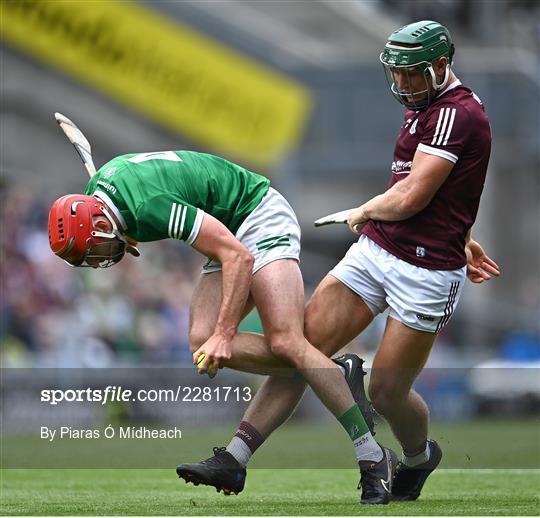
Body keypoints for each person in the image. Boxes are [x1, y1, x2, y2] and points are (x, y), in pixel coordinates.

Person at [178, 20, 500, 503]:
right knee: (300, 349)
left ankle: (417, 457)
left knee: (386, 393)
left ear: (440, 65)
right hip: (377, 250)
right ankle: (235, 459)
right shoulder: (424, 106)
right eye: (397, 73)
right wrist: (462, 229)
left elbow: (413, 194)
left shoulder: (458, 113)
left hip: (427, 271)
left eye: (412, 74)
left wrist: (366, 209)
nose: (403, 84)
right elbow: (452, 187)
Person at [47, 150, 390, 504]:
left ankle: (372, 456)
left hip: (258, 214)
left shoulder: (150, 204)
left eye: (92, 251)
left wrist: (226, 334)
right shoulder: (100, 196)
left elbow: (238, 256)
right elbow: (143, 213)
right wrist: (127, 236)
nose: (96, 261)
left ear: (101, 224)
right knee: (201, 340)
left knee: (286, 340)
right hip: (226, 228)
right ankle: (326, 374)